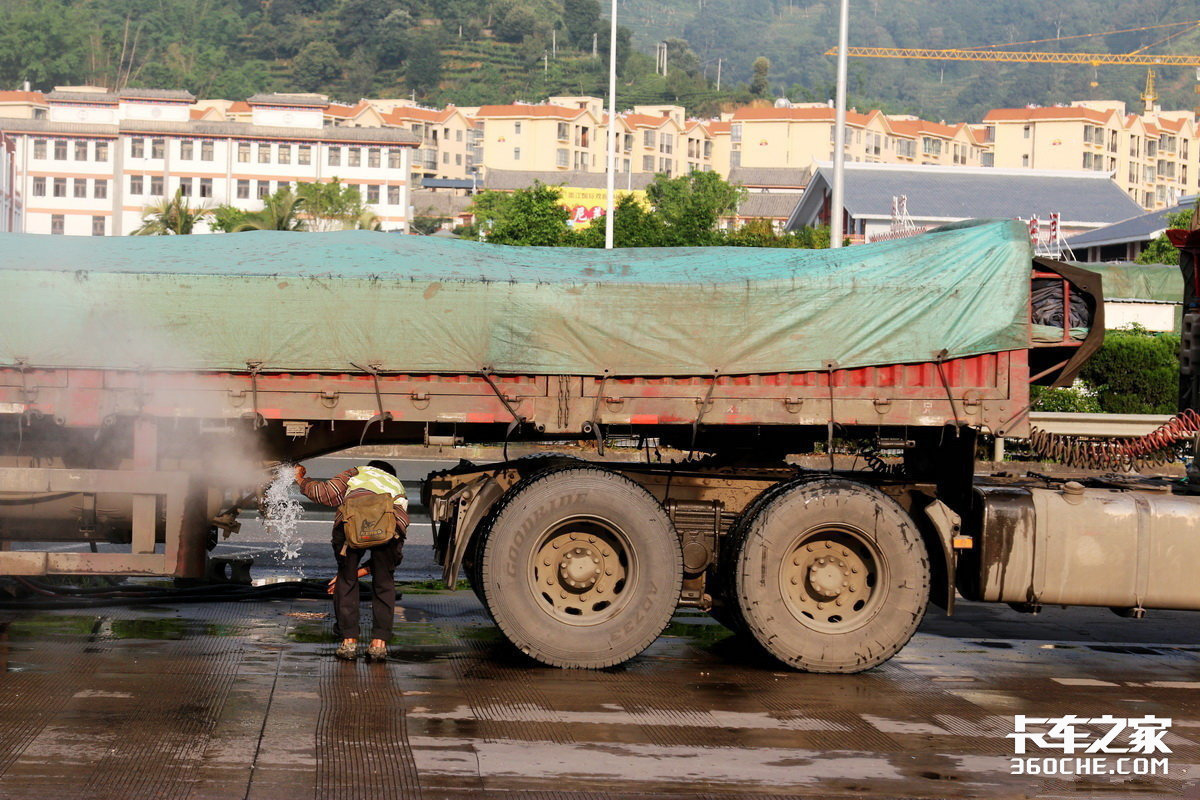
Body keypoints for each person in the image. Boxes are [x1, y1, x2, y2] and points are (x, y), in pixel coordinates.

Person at [295, 460, 408, 662]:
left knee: (346, 581)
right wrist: (365, 570)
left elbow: (324, 493)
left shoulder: (359, 472)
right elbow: (395, 556)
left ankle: (349, 643)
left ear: (371, 467)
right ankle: (378, 644)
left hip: (351, 526)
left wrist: (300, 479)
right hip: (389, 529)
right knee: (384, 582)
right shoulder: (397, 486)